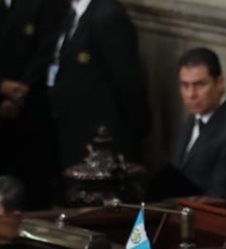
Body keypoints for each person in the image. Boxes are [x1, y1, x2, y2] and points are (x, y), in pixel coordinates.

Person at [46, 0, 150, 169]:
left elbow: (127, 81)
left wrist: (126, 133)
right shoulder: (70, 12)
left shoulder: (108, 16)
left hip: (99, 140)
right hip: (71, 131)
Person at [0, 0, 65, 208]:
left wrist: (19, 93)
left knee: (35, 190)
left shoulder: (45, 5)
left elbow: (47, 48)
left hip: (33, 110)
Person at [169, 47, 226, 204]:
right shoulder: (191, 121)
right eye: (185, 86)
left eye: (199, 85)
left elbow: (223, 198)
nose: (191, 94)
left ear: (220, 83)